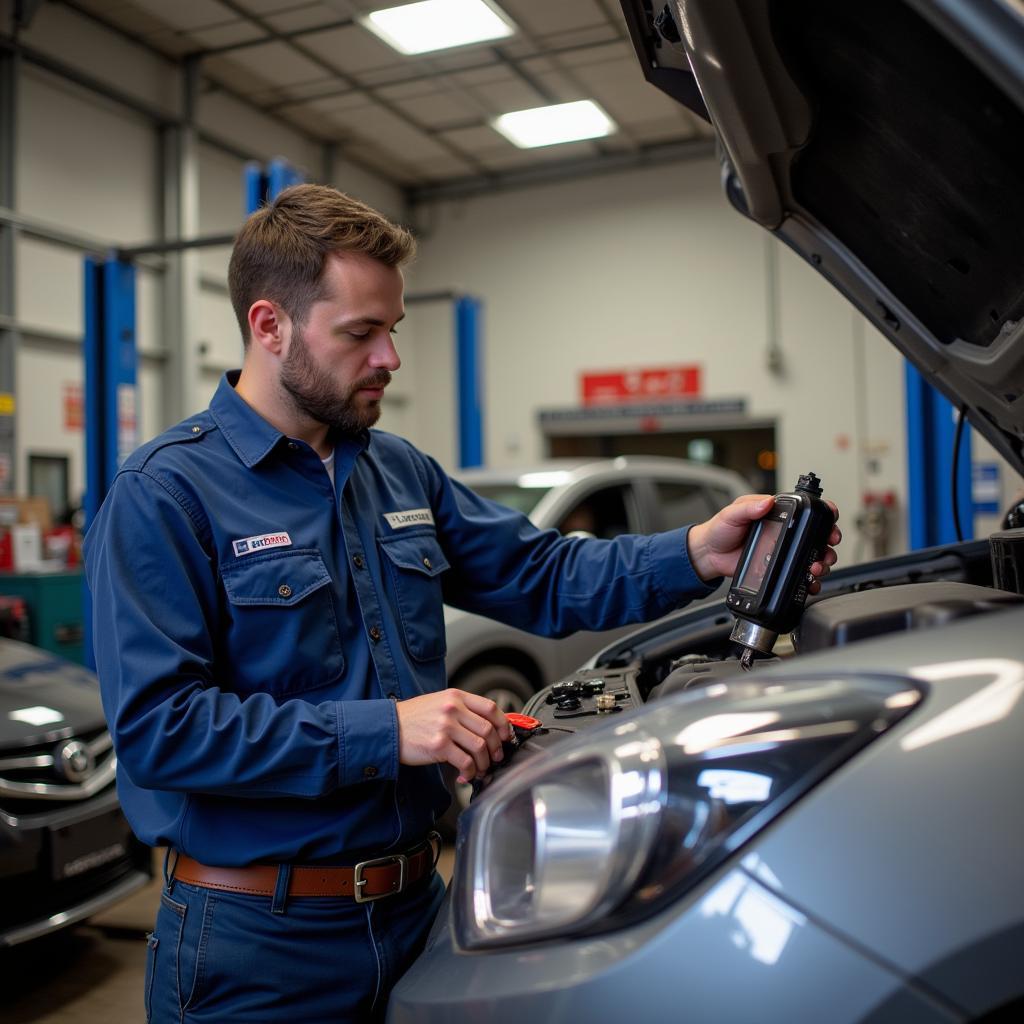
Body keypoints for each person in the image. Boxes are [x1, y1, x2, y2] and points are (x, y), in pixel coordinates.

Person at [84, 184, 840, 1024]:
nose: (389, 360)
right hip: (260, 946)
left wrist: (699, 551)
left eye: (393, 330)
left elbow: (544, 574)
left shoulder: (397, 471)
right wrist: (391, 729)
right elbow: (161, 732)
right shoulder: (164, 495)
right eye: (360, 334)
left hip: (419, 913)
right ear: (270, 327)